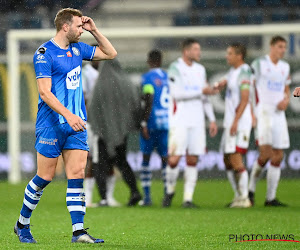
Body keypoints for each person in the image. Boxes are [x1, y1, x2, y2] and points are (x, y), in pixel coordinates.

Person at [14, 8, 117, 244]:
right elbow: (44, 92)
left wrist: (94, 30)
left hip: (76, 123)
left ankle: (79, 232)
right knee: (45, 176)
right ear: (65, 26)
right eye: (79, 26)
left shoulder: (78, 49)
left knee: (77, 174)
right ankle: (22, 224)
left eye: (83, 27)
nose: (82, 30)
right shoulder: (44, 53)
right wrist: (68, 115)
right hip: (51, 124)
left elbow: (111, 53)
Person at [162, 38, 218, 208]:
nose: (199, 53)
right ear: (186, 51)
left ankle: (187, 199)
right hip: (179, 120)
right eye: (196, 49)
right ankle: (170, 190)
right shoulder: (175, 68)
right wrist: (201, 91)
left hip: (197, 120)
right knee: (173, 160)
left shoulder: (201, 70)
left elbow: (205, 97)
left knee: (193, 158)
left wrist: (212, 119)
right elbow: (177, 94)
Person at [88, 58, 142, 207]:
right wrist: (127, 124)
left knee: (100, 164)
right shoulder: (127, 82)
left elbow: (94, 108)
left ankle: (104, 197)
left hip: (103, 131)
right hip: (122, 131)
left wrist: (100, 125)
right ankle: (135, 191)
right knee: (122, 161)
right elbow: (136, 103)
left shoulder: (101, 84)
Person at [248, 36, 291, 207]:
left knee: (278, 155)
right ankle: (250, 190)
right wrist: (251, 113)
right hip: (263, 112)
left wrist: (286, 100)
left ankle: (270, 198)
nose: (282, 50)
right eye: (280, 46)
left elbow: (286, 89)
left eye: (284, 47)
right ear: (271, 47)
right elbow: (250, 88)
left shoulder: (285, 67)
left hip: (279, 114)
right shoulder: (259, 64)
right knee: (265, 154)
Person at [215, 43, 252, 208]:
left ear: (239, 55)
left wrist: (236, 120)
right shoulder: (233, 72)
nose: (226, 56)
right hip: (231, 121)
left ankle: (244, 198)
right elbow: (230, 80)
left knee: (236, 159)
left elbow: (245, 98)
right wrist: (222, 83)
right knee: (226, 159)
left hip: (240, 122)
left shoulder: (245, 71)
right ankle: (238, 196)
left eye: (229, 53)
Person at [82, 54, 120, 207]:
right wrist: (85, 121)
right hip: (92, 122)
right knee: (92, 158)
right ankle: (88, 197)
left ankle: (109, 197)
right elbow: (83, 98)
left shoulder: (108, 74)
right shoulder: (85, 74)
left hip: (108, 122)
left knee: (109, 158)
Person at [139, 50, 169, 206]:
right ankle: (167, 193)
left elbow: (148, 99)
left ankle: (147, 197)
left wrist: (143, 122)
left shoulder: (147, 78)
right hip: (166, 123)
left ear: (149, 61)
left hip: (151, 123)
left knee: (146, 159)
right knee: (165, 159)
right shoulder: (168, 77)